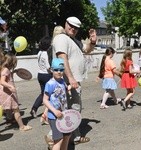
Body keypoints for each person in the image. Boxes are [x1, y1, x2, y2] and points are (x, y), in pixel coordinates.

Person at [52, 16, 97, 145]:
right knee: (72, 110)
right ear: (65, 24)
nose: (73, 29)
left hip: (72, 82)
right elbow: (62, 58)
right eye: (71, 25)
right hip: (68, 82)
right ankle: (57, 137)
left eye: (76, 27)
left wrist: (92, 42)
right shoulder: (61, 38)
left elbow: (86, 50)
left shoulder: (72, 40)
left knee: (72, 110)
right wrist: (71, 78)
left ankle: (71, 137)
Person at [43, 57, 71, 150]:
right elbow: (45, 100)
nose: (59, 72)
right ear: (51, 70)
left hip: (64, 113)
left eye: (61, 70)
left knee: (67, 136)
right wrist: (54, 111)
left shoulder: (62, 81)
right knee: (58, 140)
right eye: (56, 70)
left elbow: (62, 92)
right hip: (54, 116)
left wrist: (69, 88)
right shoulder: (50, 84)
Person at [0, 52, 32, 131]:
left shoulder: (4, 68)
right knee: (16, 109)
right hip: (8, 93)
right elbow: (2, 81)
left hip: (5, 92)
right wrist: (10, 86)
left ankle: (10, 120)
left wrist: (13, 73)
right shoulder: (6, 70)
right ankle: (22, 126)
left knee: (5, 109)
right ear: (12, 62)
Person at [30, 36, 53, 122]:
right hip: (46, 75)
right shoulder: (46, 54)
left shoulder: (39, 53)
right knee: (48, 95)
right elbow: (48, 67)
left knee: (43, 94)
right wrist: (53, 72)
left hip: (40, 74)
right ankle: (47, 114)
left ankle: (34, 108)